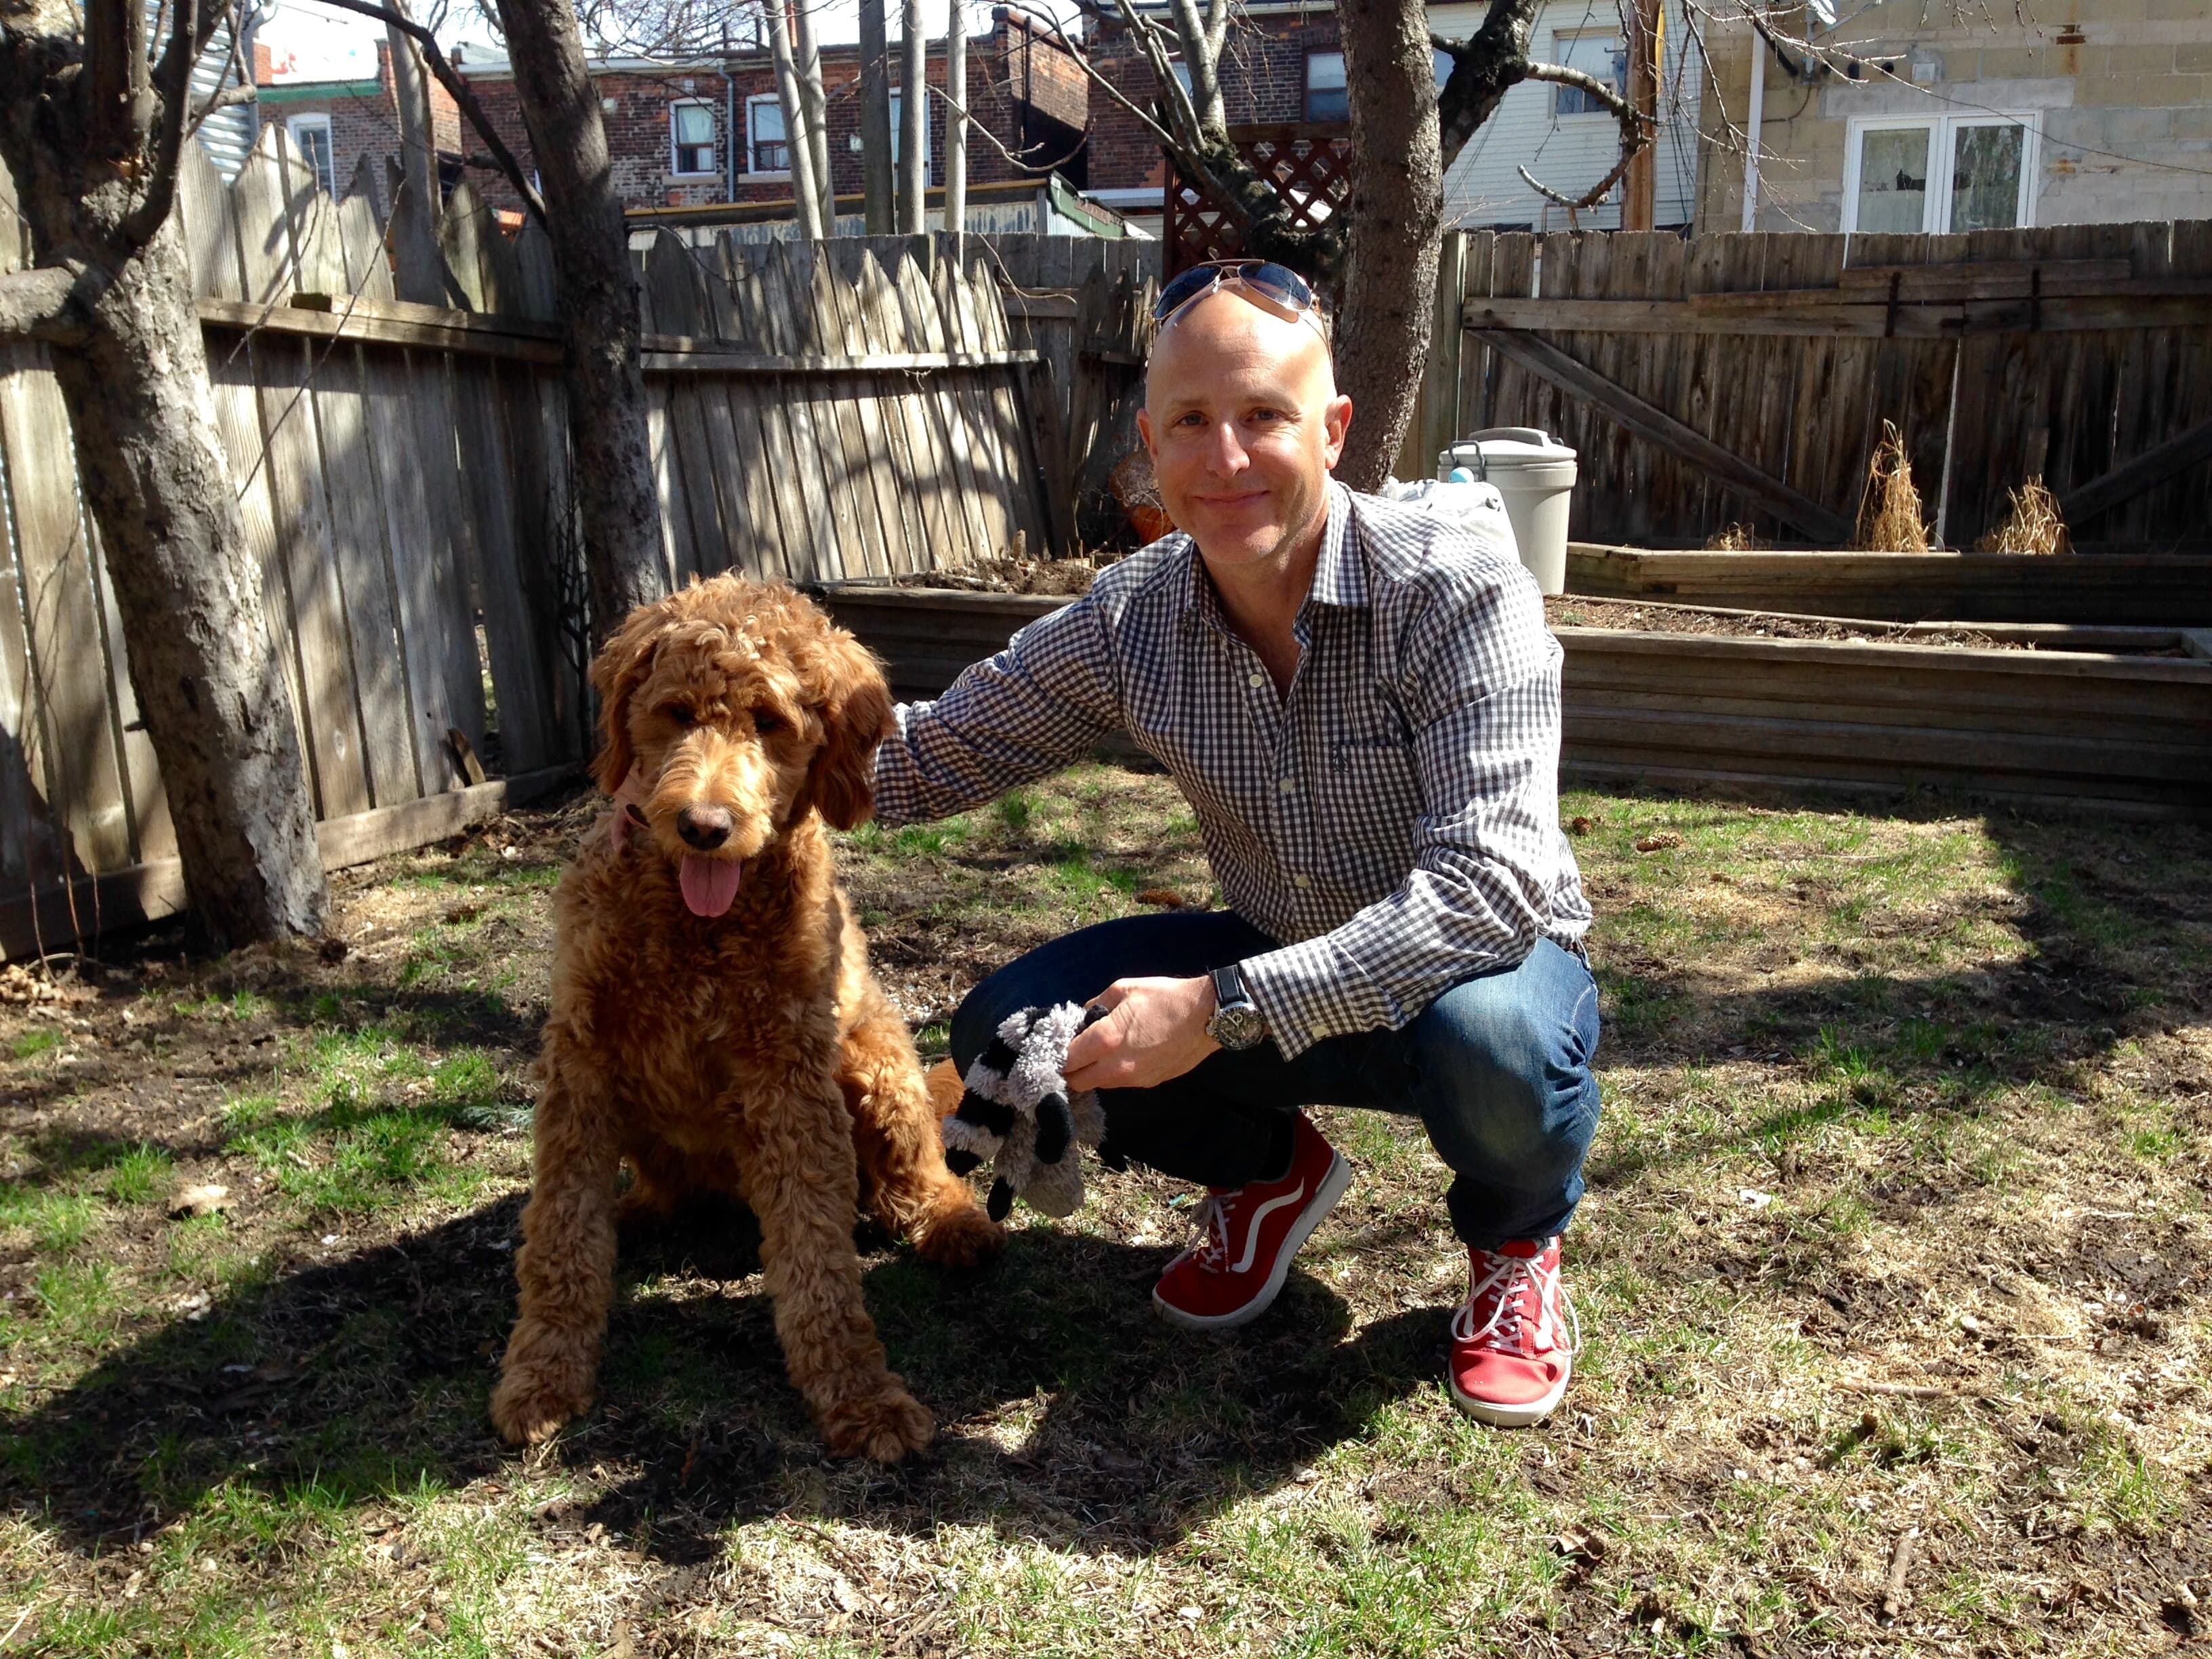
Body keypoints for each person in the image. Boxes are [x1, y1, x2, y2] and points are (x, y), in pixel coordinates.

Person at [870, 260, 1599, 1427]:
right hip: (1275, 941)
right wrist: (725, 766)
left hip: (1479, 973)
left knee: (1500, 1048)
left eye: (1264, 415)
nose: (1225, 459)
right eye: (1193, 423)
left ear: (1334, 428)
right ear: (1150, 444)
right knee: (1007, 1030)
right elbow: (930, 753)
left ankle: (1516, 1249)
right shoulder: (1131, 617)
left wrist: (1211, 1012)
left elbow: (1490, 891)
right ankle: (1267, 1177)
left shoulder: (1460, 588)